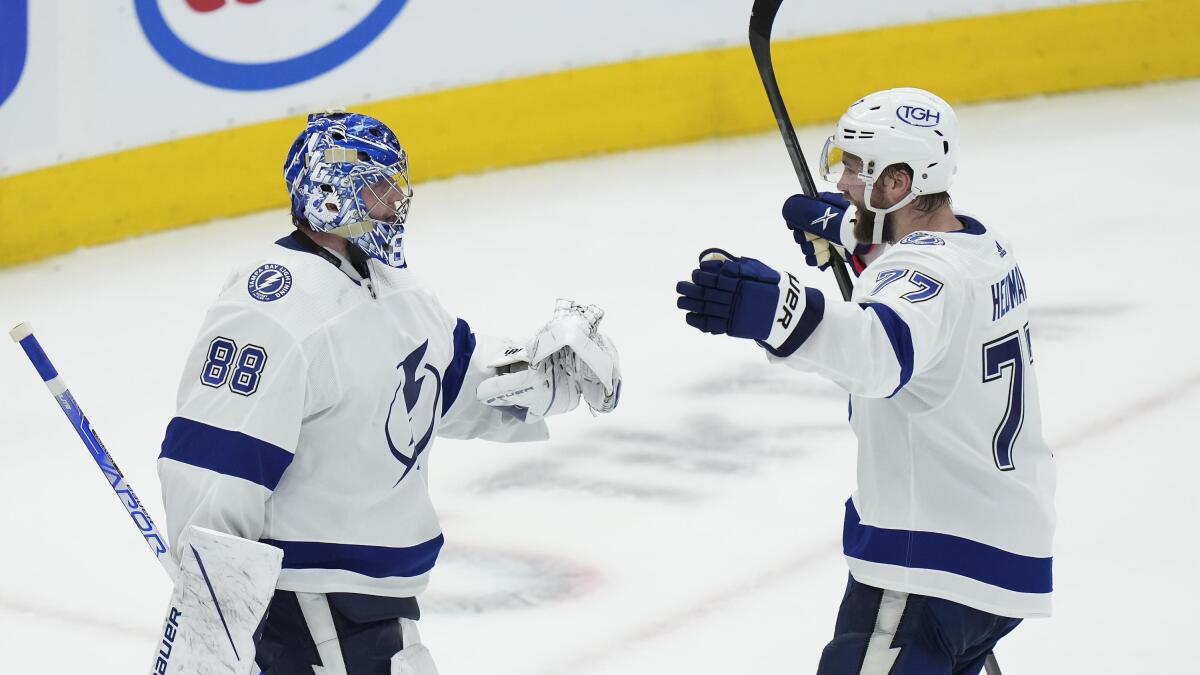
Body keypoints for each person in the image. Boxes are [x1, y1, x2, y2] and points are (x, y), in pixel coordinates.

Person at [155, 110, 621, 674]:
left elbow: (445, 381)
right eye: (380, 188)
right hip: (303, 607)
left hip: (373, 606)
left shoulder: (395, 287)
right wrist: (213, 619)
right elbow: (216, 467)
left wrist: (546, 378)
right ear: (333, 196)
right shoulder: (274, 309)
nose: (396, 202)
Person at [675, 88, 1053, 674]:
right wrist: (854, 238)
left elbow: (882, 351)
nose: (844, 181)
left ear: (898, 183)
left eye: (857, 168)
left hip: (927, 561)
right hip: (1001, 551)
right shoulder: (985, 248)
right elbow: (922, 284)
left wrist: (776, 310)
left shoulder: (921, 274)